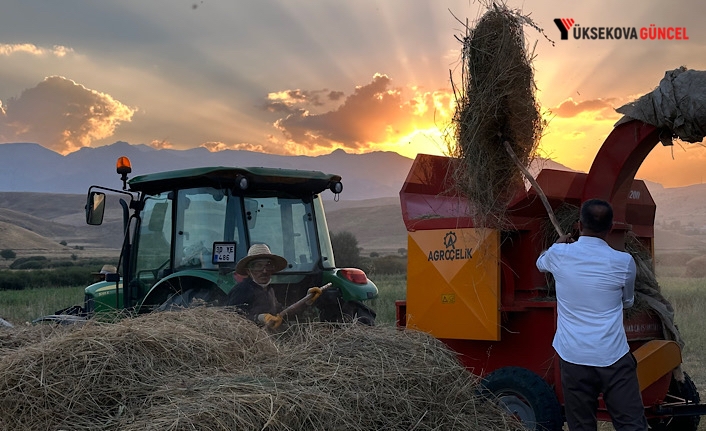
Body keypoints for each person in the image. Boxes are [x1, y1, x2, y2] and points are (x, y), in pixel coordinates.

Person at [536, 199, 647, 431]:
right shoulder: (624, 262)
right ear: (609, 229)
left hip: (573, 356)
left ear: (578, 225)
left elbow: (540, 263)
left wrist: (557, 245)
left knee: (582, 426)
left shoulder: (559, 254)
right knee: (631, 424)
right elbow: (627, 302)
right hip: (613, 357)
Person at [226, 243, 321, 329]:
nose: (264, 271)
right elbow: (230, 319)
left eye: (268, 265)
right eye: (258, 266)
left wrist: (306, 301)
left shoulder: (269, 291)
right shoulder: (241, 290)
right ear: (248, 271)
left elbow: (281, 315)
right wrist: (258, 318)